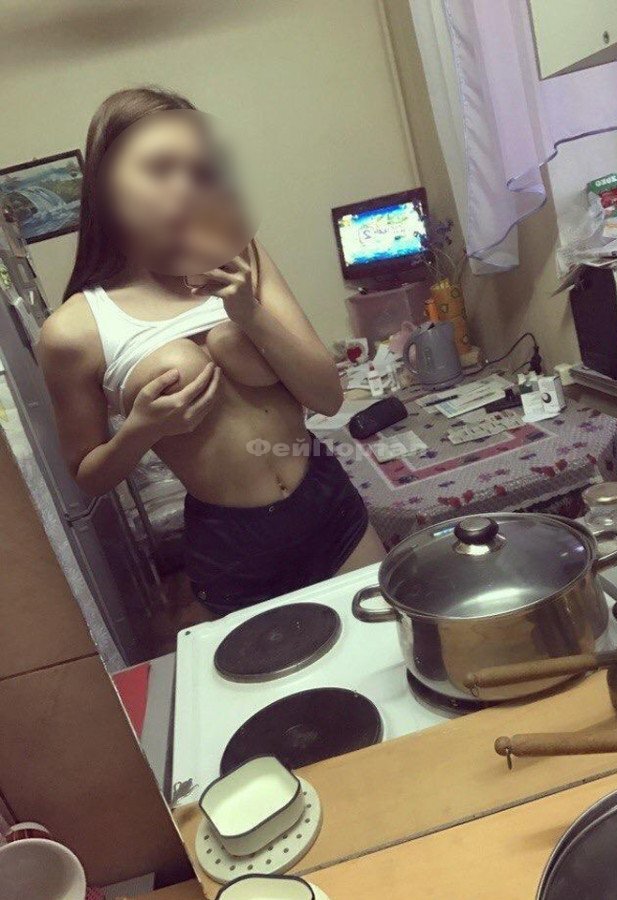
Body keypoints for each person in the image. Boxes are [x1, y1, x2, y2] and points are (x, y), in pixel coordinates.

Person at [39, 86, 385, 616]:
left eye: (199, 171)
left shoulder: (241, 256)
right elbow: (89, 477)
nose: (184, 187)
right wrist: (143, 428)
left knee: (388, 643)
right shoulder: (75, 329)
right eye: (160, 167)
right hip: (235, 546)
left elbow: (328, 397)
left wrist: (247, 311)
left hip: (327, 501)